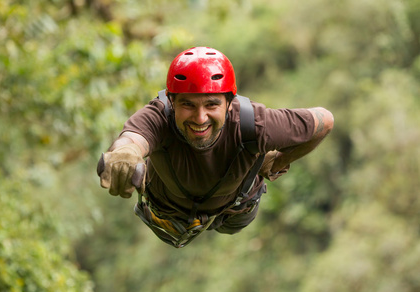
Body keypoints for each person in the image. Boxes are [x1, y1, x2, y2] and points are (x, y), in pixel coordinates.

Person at [97, 46, 334, 248]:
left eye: (211, 104)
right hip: (168, 212)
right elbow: (133, 138)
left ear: (230, 103)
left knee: (233, 226)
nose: (200, 118)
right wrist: (125, 153)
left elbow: (324, 120)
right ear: (171, 101)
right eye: (188, 104)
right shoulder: (159, 117)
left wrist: (278, 162)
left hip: (236, 208)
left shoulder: (256, 124)